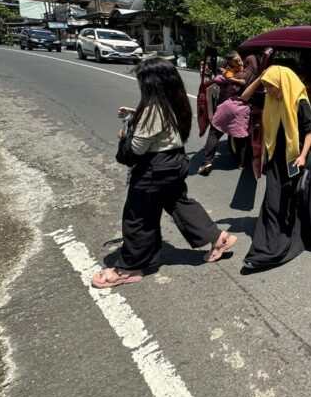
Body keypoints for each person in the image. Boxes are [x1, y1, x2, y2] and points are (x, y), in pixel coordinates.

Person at [92, 59, 237, 289]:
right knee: (179, 204)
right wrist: (135, 115)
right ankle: (219, 238)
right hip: (174, 161)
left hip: (155, 167)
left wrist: (125, 135)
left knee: (138, 216)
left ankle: (129, 268)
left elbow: (136, 149)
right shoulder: (174, 100)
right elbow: (162, 126)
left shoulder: (153, 108)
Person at [240, 65, 311, 271]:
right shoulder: (270, 99)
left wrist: (301, 156)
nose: (268, 91)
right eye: (266, 87)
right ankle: (266, 251)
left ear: (283, 84)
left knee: (307, 203)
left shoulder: (299, 100)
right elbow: (244, 97)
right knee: (274, 203)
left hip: (297, 159)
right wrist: (261, 78)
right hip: (277, 161)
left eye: (271, 87)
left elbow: (310, 130)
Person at [198, 51, 252, 175]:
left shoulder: (231, 74)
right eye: (236, 61)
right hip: (242, 109)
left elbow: (217, 80)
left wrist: (229, 78)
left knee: (214, 133)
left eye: (239, 60)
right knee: (240, 136)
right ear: (231, 63)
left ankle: (207, 161)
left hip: (227, 107)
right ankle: (241, 163)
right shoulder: (247, 71)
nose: (239, 62)